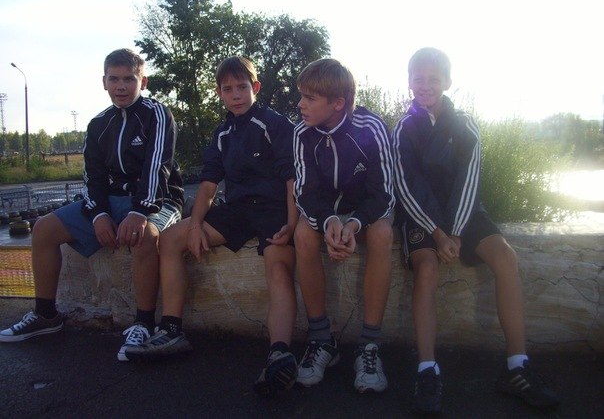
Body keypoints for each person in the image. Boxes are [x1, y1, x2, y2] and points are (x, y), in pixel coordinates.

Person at [392, 47, 559, 413]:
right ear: (409, 82)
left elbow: (469, 179)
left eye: (433, 79)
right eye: (418, 79)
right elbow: (406, 186)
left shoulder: (465, 124)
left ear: (448, 82)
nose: (425, 85)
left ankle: (517, 366)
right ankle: (427, 370)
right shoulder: (403, 128)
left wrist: (456, 231)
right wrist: (438, 233)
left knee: (505, 257)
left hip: (464, 213)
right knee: (427, 268)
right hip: (422, 217)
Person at [125, 56, 299, 397]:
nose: (236, 95)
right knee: (171, 238)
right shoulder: (222, 133)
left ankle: (279, 353)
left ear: (255, 87)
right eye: (227, 89)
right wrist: (194, 225)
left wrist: (292, 225)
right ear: (219, 93)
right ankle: (172, 330)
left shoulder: (275, 124)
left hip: (275, 210)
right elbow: (208, 186)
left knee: (278, 268)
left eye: (242, 87)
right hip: (237, 210)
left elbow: (293, 180)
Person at [0, 48, 184, 363]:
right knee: (43, 229)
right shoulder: (98, 124)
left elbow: (157, 168)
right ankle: (46, 315)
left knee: (145, 236)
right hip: (111, 200)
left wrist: (139, 212)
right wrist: (99, 215)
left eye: (129, 79)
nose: (121, 86)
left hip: (159, 198)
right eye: (114, 79)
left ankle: (143, 324)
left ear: (143, 81)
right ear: (104, 82)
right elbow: (93, 177)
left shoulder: (157, 114)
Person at [293, 58, 395, 394]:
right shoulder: (302, 132)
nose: (300, 104)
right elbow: (304, 192)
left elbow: (384, 193)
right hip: (327, 212)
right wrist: (329, 222)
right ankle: (322, 339)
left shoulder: (371, 127)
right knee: (303, 234)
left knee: (382, 233)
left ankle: (369, 345)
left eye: (310, 98)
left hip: (364, 211)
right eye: (301, 95)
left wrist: (353, 224)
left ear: (337, 104)